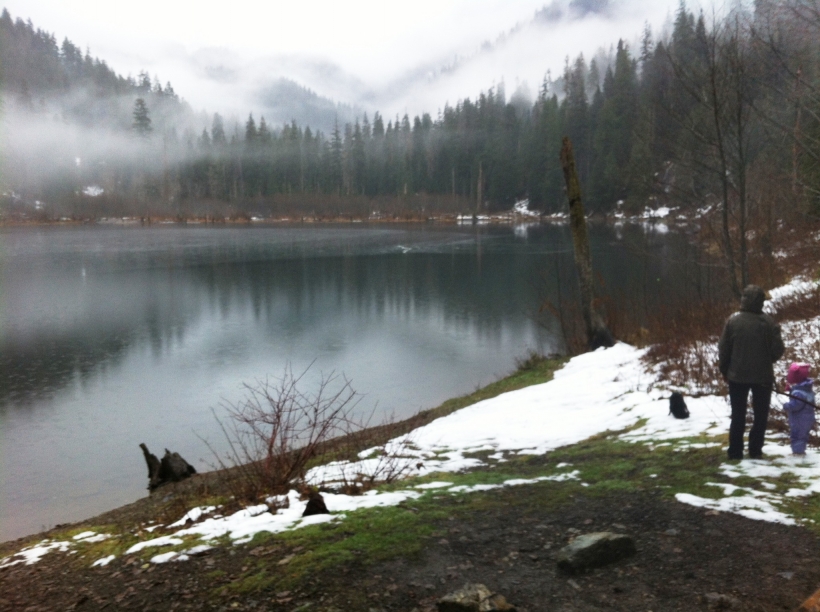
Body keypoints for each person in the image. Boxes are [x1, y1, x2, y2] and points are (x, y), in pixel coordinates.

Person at [718, 285, 784, 460]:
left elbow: (724, 350)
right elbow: (778, 350)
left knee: (738, 414)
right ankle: (755, 451)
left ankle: (735, 452)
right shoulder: (769, 323)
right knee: (760, 416)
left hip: (736, 376)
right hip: (763, 377)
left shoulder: (732, 321)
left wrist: (724, 370)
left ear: (744, 299)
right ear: (761, 302)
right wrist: (766, 360)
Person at [783, 363, 815, 456]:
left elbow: (796, 405)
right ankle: (801, 450)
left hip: (799, 418)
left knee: (796, 435)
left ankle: (798, 452)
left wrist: (787, 406)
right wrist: (792, 390)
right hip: (808, 417)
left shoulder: (798, 392)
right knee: (803, 435)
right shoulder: (806, 389)